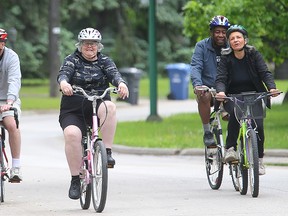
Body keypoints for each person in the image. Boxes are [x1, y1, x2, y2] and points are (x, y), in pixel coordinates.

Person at [57, 27, 129, 200]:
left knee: (110, 107)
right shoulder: (72, 60)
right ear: (80, 45)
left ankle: (108, 152)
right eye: (86, 43)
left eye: (94, 44)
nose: (90, 47)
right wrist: (64, 83)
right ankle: (75, 179)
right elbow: (63, 74)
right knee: (72, 135)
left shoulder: (105, 61)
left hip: (98, 104)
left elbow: (114, 74)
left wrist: (121, 84)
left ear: (99, 46)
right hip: (74, 108)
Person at [215, 24, 280, 175]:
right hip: (233, 96)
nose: (236, 40)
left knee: (259, 126)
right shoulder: (226, 57)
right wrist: (221, 92)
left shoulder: (254, 54)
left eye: (238, 37)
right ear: (229, 42)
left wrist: (271, 88)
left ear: (245, 40)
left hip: (254, 95)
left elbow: (264, 72)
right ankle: (230, 149)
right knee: (236, 117)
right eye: (232, 38)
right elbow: (221, 78)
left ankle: (259, 160)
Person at [190, 15, 230, 146]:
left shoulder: (231, 47)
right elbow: (196, 66)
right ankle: (207, 131)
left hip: (229, 91)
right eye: (217, 32)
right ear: (212, 32)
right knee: (204, 94)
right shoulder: (201, 46)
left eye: (224, 32)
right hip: (210, 90)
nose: (221, 35)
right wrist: (197, 85)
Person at [0, 28, 22, 182]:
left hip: (7, 100)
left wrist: (9, 102)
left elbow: (14, 80)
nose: (0, 45)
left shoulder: (11, 57)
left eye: (1, 42)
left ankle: (16, 167)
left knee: (11, 124)